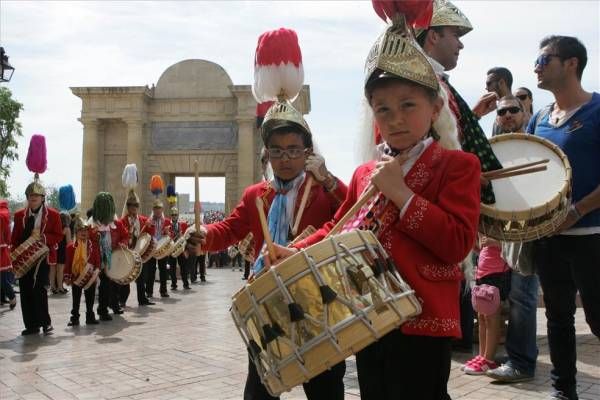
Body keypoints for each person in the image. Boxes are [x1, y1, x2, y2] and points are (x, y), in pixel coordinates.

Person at [267, 12, 481, 399]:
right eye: (383, 109)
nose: (395, 119)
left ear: (434, 109)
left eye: (408, 105)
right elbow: (337, 227)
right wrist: (294, 251)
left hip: (423, 318)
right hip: (367, 316)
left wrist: (403, 195)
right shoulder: (366, 172)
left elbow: (457, 243)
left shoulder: (457, 166)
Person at [190, 27, 349, 400]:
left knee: (325, 389)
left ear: (308, 150)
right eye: (277, 151)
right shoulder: (256, 196)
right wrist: (203, 236)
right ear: (267, 155)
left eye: (295, 150)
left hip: (318, 303)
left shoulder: (322, 188)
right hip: (268, 303)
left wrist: (329, 181)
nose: (286, 159)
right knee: (259, 389)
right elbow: (229, 229)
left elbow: (348, 216)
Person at [528, 35, 600, 400]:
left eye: (543, 59)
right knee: (557, 319)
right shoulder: (539, 118)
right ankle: (564, 392)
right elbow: (525, 170)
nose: (536, 67)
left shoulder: (599, 111)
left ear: (571, 63)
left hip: (592, 236)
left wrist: (579, 210)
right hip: (549, 239)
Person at [485, 94, 540, 384]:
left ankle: (521, 361)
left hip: (535, 229)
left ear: (525, 111)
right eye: (501, 112)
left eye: (513, 110)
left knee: (523, 295)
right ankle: (521, 356)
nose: (507, 115)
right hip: (511, 231)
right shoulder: (499, 150)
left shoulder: (537, 142)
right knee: (519, 296)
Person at [12, 178, 63, 335]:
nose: (33, 198)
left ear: (42, 198)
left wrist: (43, 238)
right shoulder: (20, 215)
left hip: (42, 257)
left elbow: (58, 235)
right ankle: (31, 325)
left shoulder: (53, 215)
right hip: (24, 258)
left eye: (36, 196)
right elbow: (14, 239)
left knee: (40, 289)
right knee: (26, 290)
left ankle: (45, 323)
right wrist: (15, 255)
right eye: (30, 196)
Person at [463, 235, 510, 375]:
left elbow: (513, 245)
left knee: (491, 317)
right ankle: (482, 356)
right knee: (482, 316)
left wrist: (494, 241)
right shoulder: (489, 224)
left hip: (497, 272)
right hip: (483, 271)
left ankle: (489, 359)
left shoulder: (505, 222)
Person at [89, 192, 129, 321]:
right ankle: (90, 313)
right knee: (91, 286)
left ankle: (105, 308)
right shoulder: (90, 226)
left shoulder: (117, 224)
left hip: (111, 258)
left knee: (109, 285)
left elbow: (125, 236)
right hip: (95, 260)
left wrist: (122, 244)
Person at [119, 189, 155, 306]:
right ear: (127, 207)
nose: (134, 207)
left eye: (136, 205)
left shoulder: (144, 220)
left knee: (142, 278)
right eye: (131, 205)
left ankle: (142, 299)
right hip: (127, 253)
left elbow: (150, 234)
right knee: (126, 279)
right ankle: (122, 300)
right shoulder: (122, 221)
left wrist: (150, 226)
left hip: (139, 253)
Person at [64, 216, 100, 326]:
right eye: (80, 231)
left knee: (90, 298)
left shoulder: (93, 246)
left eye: (85, 230)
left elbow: (97, 259)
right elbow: (68, 263)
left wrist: (97, 270)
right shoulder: (71, 247)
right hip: (76, 277)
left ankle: (90, 316)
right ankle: (74, 318)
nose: (83, 233)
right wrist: (67, 276)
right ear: (76, 232)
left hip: (90, 277)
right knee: (76, 299)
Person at [144, 199, 173, 298]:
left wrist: (167, 232)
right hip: (152, 247)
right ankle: (149, 291)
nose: (157, 210)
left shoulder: (167, 221)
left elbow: (171, 235)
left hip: (162, 248)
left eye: (159, 208)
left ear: (162, 209)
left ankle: (163, 290)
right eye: (156, 208)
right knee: (151, 270)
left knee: (163, 270)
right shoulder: (148, 221)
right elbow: (145, 234)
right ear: (153, 209)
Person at [168, 207, 193, 290]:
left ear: (178, 215)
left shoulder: (182, 224)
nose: (174, 216)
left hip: (180, 248)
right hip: (171, 248)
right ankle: (173, 284)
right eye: (172, 215)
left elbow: (186, 236)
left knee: (183, 267)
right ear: (171, 216)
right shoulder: (168, 225)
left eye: (175, 214)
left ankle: (185, 283)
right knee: (172, 267)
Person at [0, 199, 16, 310]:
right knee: (2, 278)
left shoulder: (2, 217)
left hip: (2, 252)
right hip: (4, 251)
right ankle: (2, 298)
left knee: (3, 278)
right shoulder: (5, 217)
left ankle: (12, 297)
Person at [49, 212, 71, 294]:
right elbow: (69, 243)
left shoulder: (53, 227)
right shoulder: (67, 228)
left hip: (53, 249)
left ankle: (52, 287)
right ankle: (60, 287)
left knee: (52, 269)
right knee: (60, 270)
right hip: (62, 250)